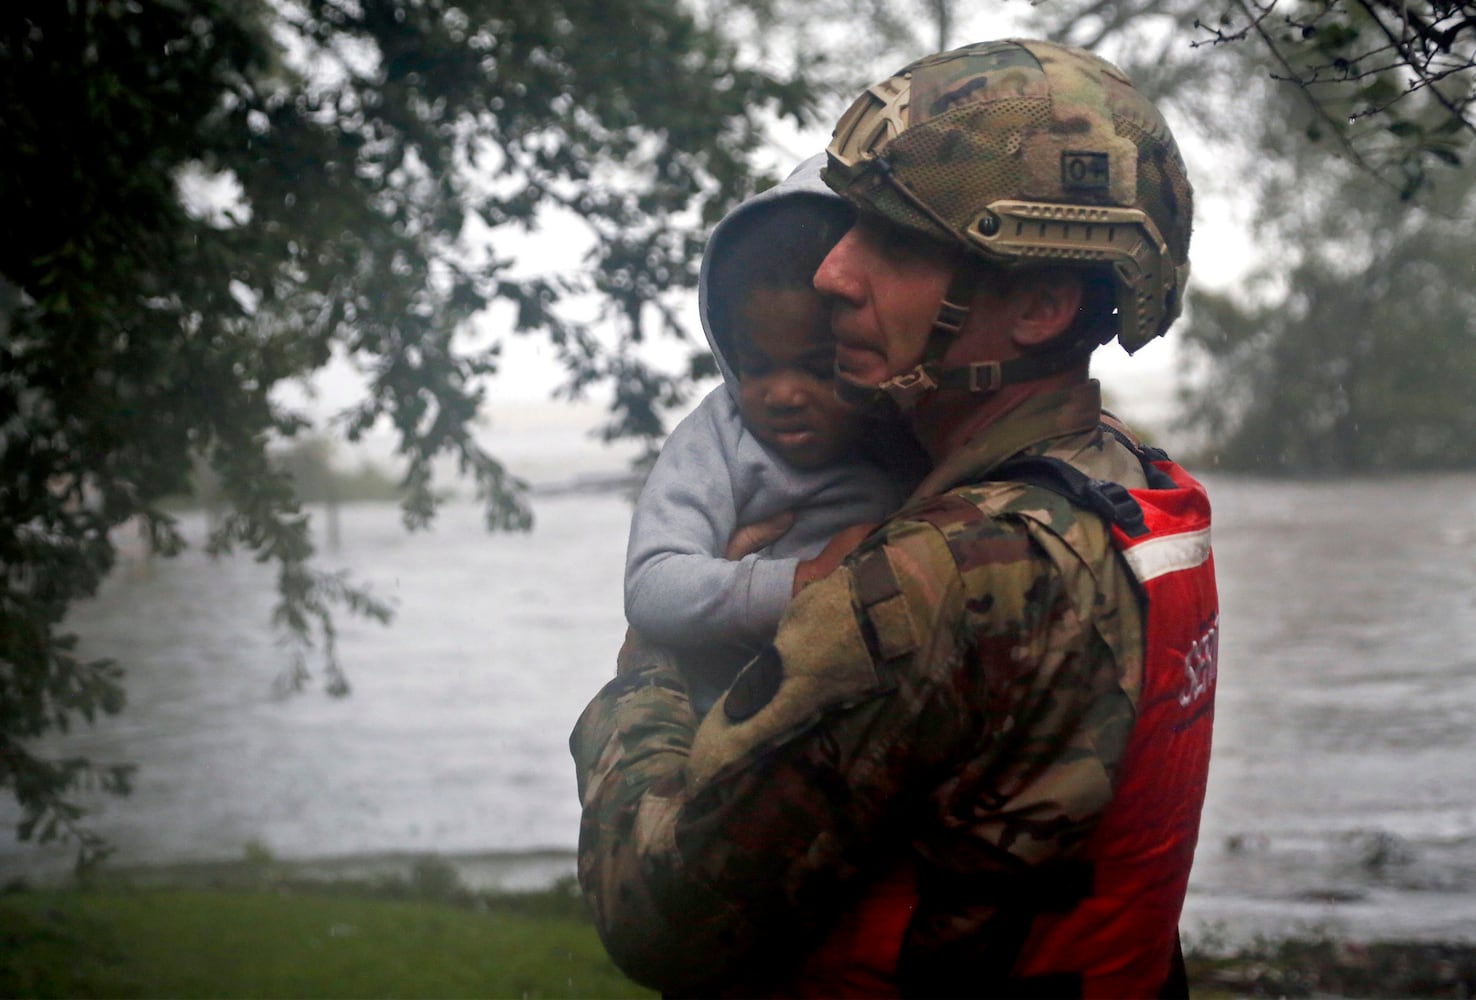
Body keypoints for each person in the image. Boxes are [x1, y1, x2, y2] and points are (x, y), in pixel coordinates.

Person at [572, 38, 1217, 999]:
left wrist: (649, 672)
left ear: (1039, 303)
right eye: (849, 228)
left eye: (898, 242)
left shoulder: (927, 580)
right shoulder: (1130, 485)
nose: (832, 274)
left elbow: (660, 919)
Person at [624, 153, 918, 712]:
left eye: (816, 367)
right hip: (733, 727)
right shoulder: (720, 437)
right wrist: (802, 583)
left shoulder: (908, 431)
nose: (782, 396)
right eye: (757, 367)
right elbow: (652, 587)